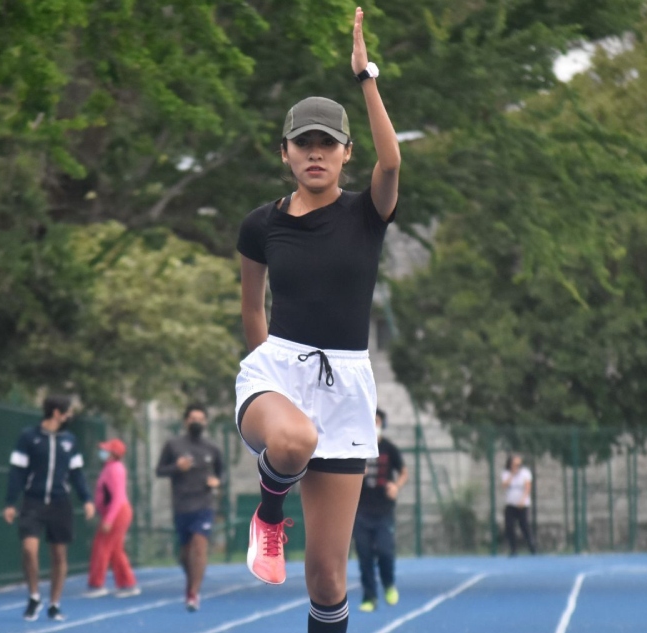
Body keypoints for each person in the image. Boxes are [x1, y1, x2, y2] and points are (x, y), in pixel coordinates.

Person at [234, 7, 400, 631]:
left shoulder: (367, 213)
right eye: (302, 143)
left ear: (345, 154)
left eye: (327, 144)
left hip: (346, 387)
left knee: (328, 576)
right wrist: (266, 376)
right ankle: (269, 516)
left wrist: (366, 77)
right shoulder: (261, 224)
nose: (315, 153)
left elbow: (393, 164)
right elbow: (253, 306)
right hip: (276, 373)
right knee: (292, 438)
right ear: (285, 153)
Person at [3, 395, 95, 622]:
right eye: (68, 412)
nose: (70, 416)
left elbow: (77, 474)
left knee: (59, 554)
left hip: (60, 502)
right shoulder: (28, 437)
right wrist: (10, 501)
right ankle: (34, 596)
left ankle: (54, 603)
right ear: (56, 412)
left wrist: (87, 498)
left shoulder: (70, 440)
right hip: (33, 501)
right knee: (29, 549)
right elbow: (17, 471)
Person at [155, 404, 224, 612]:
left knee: (200, 545)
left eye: (200, 419)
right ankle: (191, 580)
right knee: (185, 555)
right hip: (182, 505)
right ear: (185, 421)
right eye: (192, 418)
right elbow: (159, 470)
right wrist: (177, 467)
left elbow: (222, 473)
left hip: (204, 504)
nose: (196, 422)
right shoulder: (173, 445)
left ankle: (193, 593)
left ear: (205, 423)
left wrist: (217, 481)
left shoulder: (212, 448)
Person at [353, 409, 407, 613]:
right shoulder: (357, 447)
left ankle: (389, 584)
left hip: (384, 510)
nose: (373, 424)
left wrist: (396, 486)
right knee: (364, 555)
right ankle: (369, 597)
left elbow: (403, 471)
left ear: (382, 423)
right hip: (361, 510)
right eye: (371, 420)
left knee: (385, 551)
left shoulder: (389, 448)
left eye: (377, 420)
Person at [85, 438, 139, 598]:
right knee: (115, 549)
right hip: (116, 512)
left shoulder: (114, 469)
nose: (103, 452)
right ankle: (127, 583)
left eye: (106, 450)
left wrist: (109, 520)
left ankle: (97, 584)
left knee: (101, 546)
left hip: (117, 512)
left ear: (114, 454)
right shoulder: (110, 468)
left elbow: (118, 497)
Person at [501, 453, 536, 556]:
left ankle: (532, 546)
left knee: (524, 526)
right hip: (511, 504)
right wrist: (512, 474)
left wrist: (523, 499)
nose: (517, 467)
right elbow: (504, 485)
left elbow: (527, 487)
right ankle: (513, 549)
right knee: (509, 526)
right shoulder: (506, 473)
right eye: (515, 464)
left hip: (522, 505)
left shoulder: (525, 473)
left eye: (518, 465)